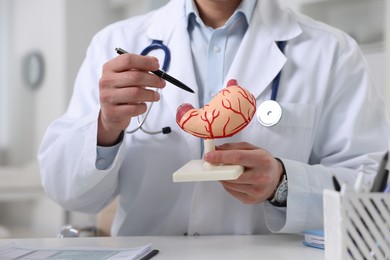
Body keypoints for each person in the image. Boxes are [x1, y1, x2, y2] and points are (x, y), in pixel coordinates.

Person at [38, 0, 390, 236]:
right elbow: (66, 191)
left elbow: (375, 194)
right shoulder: (116, 42)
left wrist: (284, 184)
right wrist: (105, 127)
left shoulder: (331, 51)